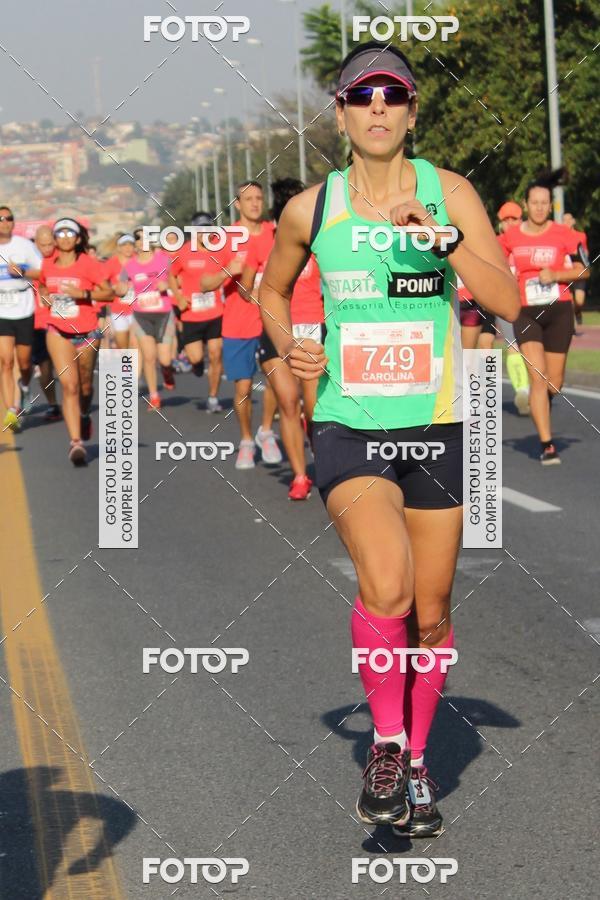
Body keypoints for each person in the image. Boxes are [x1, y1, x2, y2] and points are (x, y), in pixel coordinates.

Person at [258, 42, 520, 836]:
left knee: (432, 612)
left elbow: (507, 298)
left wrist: (442, 238)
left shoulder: (452, 192)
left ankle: (415, 766)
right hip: (350, 423)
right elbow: (270, 289)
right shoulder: (314, 206)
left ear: (411, 111)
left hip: (437, 426)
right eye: (362, 94)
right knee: (389, 588)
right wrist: (290, 342)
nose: (378, 106)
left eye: (393, 94)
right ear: (339, 113)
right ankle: (390, 745)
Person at [240, 178, 324, 500]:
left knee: (314, 410)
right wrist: (261, 292)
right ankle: (300, 476)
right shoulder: (263, 244)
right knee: (288, 404)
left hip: (313, 328)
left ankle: (325, 463)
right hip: (277, 331)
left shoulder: (319, 241)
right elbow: (246, 290)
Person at [499, 171, 589, 465]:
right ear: (525, 204)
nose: (539, 207)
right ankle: (547, 444)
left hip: (559, 310)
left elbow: (585, 270)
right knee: (537, 379)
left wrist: (558, 274)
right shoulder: (509, 237)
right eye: (534, 202)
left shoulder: (567, 235)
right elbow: (493, 263)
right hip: (526, 312)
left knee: (554, 382)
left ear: (550, 206)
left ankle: (543, 402)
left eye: (544, 203)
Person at [207, 181, 281, 469]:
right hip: (238, 323)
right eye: (247, 199)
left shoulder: (275, 235)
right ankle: (247, 440)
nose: (254, 203)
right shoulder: (226, 238)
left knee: (278, 379)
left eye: (258, 198)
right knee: (244, 388)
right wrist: (229, 270)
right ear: (237, 204)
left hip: (272, 321)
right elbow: (203, 283)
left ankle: (266, 431)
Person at [38, 218, 112, 464]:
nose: (66, 237)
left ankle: (84, 413)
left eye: (71, 233)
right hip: (58, 330)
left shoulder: (88, 264)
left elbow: (108, 293)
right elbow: (42, 286)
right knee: (69, 386)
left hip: (87, 333)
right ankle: (76, 443)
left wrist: (84, 294)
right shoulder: (48, 265)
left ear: (78, 238)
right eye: (61, 233)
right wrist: (45, 296)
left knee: (85, 387)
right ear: (56, 239)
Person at [169, 212, 241, 412]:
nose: (205, 233)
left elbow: (234, 267)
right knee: (196, 358)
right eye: (200, 229)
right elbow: (171, 276)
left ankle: (212, 397)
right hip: (192, 314)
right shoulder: (183, 252)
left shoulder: (220, 250)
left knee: (216, 353)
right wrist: (179, 297)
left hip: (215, 312)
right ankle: (196, 365)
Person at [477, 201, 530, 415]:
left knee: (529, 348)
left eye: (514, 219)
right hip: (500, 300)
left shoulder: (528, 241)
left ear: (521, 219)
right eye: (505, 220)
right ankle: (522, 391)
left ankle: (532, 389)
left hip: (529, 302)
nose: (510, 223)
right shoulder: (494, 243)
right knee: (508, 345)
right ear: (500, 223)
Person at [0, 206, 42, 432]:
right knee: (5, 361)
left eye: (9, 218)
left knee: (24, 362)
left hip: (23, 308)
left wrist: (23, 273)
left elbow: (43, 272)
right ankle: (11, 411)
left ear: (13, 223)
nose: (5, 222)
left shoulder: (25, 246)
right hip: (1, 311)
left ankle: (25, 388)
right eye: (0, 219)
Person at [125, 228, 175, 411]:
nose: (140, 241)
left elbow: (177, 279)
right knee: (148, 357)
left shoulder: (163, 258)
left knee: (164, 359)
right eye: (136, 238)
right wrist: (120, 288)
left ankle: (168, 371)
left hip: (163, 314)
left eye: (144, 237)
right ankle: (154, 396)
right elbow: (121, 284)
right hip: (141, 314)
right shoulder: (130, 265)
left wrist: (167, 284)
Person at [32, 224, 61, 421]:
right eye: (43, 245)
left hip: (63, 320)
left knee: (66, 365)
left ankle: (73, 397)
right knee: (44, 367)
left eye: (50, 244)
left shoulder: (63, 259)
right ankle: (52, 405)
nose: (47, 248)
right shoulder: (31, 261)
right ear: (36, 243)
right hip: (38, 323)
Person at [104, 233, 137, 350]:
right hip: (118, 311)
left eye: (131, 245)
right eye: (124, 245)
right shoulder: (111, 263)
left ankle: (136, 369)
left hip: (137, 310)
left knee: (135, 344)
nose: (128, 248)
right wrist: (112, 289)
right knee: (122, 347)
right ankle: (124, 368)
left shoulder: (138, 261)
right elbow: (102, 283)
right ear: (119, 247)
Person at [563, 212, 589, 327]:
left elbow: (585, 253)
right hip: (565, 272)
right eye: (564, 220)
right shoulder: (559, 237)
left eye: (569, 219)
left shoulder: (581, 236)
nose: (567, 222)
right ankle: (571, 324)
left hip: (578, 272)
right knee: (569, 300)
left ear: (573, 221)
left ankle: (578, 312)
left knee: (579, 301)